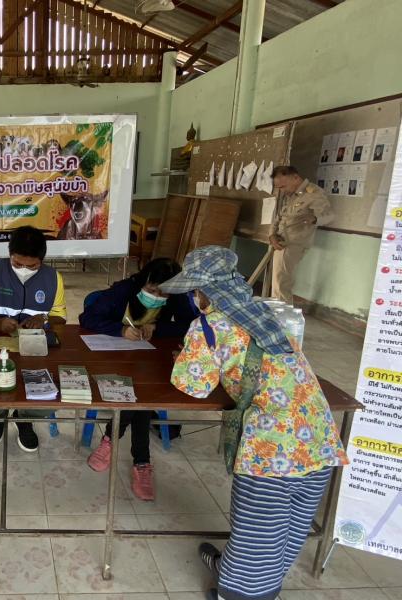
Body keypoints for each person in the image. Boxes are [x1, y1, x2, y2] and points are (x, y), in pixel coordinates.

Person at [162, 245, 348, 600]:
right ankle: (242, 576)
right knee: (290, 531)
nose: (194, 297)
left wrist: (185, 357)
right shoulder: (266, 313)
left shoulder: (208, 325)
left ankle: (237, 593)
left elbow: (194, 385)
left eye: (195, 291)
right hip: (320, 439)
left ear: (205, 292)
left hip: (271, 448)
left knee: (257, 536)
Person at [79, 258, 195, 501]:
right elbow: (87, 318)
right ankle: (141, 462)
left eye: (163, 293)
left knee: (139, 394)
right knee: (139, 397)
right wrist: (120, 330)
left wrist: (158, 328)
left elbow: (190, 325)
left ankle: (111, 440)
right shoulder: (124, 290)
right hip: (113, 359)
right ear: (143, 281)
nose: (157, 296)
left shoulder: (176, 296)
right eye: (152, 290)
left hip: (150, 360)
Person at [0, 226, 67, 452]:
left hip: (34, 351)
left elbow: (60, 317)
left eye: (32, 266)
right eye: (17, 264)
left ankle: (24, 417)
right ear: (10, 254)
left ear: (41, 261)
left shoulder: (53, 278)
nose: (24, 270)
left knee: (48, 392)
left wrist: (44, 318)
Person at [269, 166, 333, 304]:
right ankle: (278, 311)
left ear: (295, 178)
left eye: (283, 186)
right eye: (279, 187)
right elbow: (279, 216)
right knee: (278, 283)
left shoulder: (314, 193)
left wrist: (314, 219)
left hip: (293, 244)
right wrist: (272, 235)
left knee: (281, 285)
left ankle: (281, 314)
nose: (282, 190)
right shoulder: (292, 194)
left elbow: (329, 216)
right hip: (280, 242)